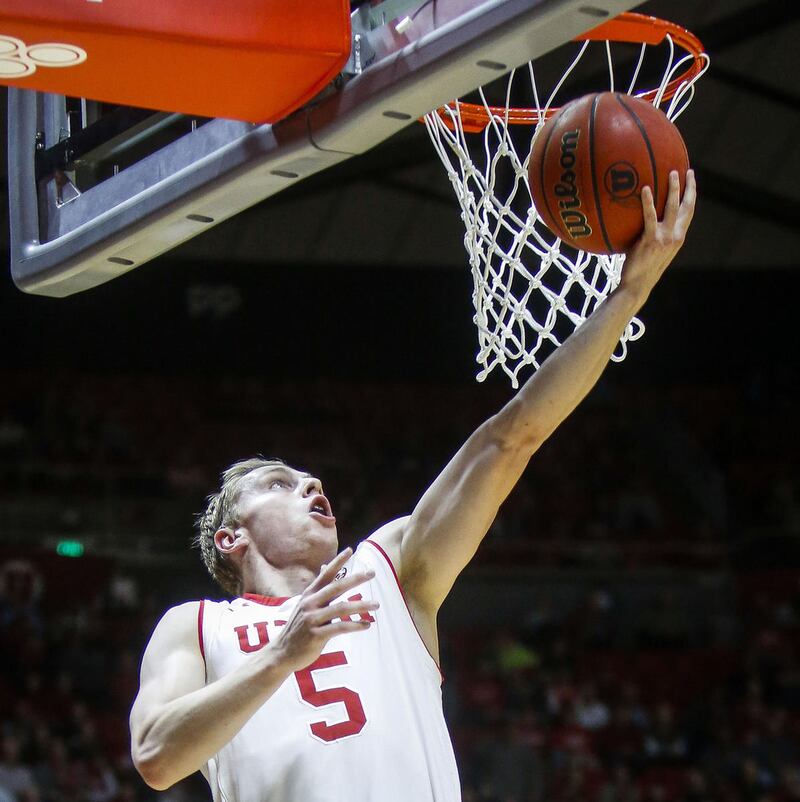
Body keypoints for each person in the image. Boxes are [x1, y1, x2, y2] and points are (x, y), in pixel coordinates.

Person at [130, 172, 697, 801]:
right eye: (278, 484)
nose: (311, 483)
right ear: (231, 536)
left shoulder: (389, 568)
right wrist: (283, 655)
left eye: (306, 478)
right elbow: (155, 756)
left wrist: (630, 293)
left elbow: (509, 439)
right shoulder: (197, 627)